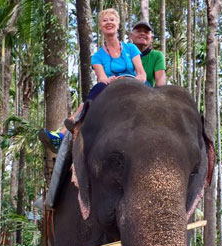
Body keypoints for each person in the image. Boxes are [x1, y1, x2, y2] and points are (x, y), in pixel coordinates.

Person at [40, 8, 146, 153]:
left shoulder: (131, 48)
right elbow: (102, 78)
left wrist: (129, 79)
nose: (109, 22)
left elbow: (142, 74)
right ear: (100, 26)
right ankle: (62, 134)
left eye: (112, 19)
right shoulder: (97, 56)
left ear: (118, 24)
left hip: (133, 86)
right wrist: (113, 80)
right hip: (111, 88)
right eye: (105, 20)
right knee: (92, 96)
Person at [130, 21, 166, 87]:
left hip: (147, 94)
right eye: (138, 31)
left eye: (146, 32)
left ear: (151, 38)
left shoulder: (157, 55)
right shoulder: (124, 53)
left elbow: (160, 84)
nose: (142, 34)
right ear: (131, 36)